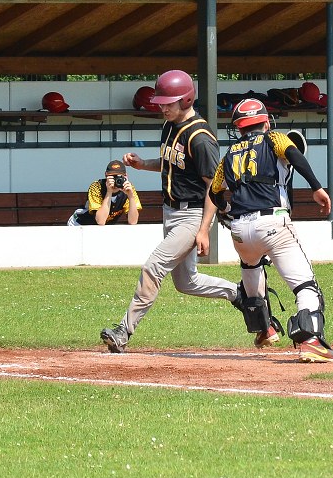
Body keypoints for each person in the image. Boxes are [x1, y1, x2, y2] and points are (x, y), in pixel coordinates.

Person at [100, 69, 239, 353]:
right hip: (171, 212)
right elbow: (172, 164)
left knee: (154, 267)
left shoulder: (200, 138)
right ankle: (240, 294)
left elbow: (214, 185)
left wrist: (204, 230)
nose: (163, 107)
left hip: (192, 214)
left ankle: (123, 331)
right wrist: (142, 164)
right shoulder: (170, 126)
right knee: (187, 282)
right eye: (161, 102)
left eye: (169, 102)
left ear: (186, 100)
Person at [203, 98, 333, 363]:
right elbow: (294, 155)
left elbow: (214, 191)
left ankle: (265, 328)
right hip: (272, 223)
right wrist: (316, 186)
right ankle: (312, 341)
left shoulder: (229, 154)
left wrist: (225, 209)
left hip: (240, 230)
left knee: (252, 272)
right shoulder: (274, 139)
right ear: (265, 122)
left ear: (239, 127)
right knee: (306, 286)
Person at [68, 160, 142, 226]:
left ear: (125, 176)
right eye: (112, 176)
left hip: (102, 227)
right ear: (106, 175)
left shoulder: (129, 188)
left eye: (119, 177)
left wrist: (131, 197)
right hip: (80, 224)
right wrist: (109, 192)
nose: (116, 180)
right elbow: (100, 221)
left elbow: (133, 221)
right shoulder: (97, 186)